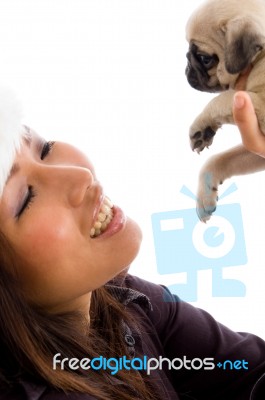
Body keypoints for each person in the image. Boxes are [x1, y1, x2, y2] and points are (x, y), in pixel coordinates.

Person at [0, 87, 264, 400]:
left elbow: (249, 370)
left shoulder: (124, 303)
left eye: (43, 149)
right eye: (26, 197)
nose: (80, 176)